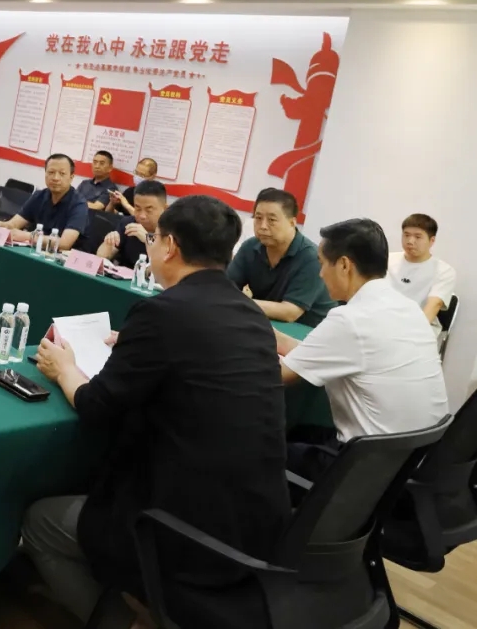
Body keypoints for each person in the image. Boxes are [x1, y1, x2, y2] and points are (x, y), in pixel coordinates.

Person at [25, 195, 290, 628]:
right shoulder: (253, 316)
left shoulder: (163, 312)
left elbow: (96, 406)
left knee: (41, 522)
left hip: (181, 529)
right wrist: (135, 342)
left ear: (170, 246)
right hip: (259, 526)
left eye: (154, 239)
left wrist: (64, 368)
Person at [277, 219, 449, 480]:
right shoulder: (408, 308)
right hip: (412, 460)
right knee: (303, 431)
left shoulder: (350, 319)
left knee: (263, 450)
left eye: (322, 263)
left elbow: (281, 375)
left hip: (362, 468)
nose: (320, 274)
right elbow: (312, 354)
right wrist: (267, 332)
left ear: (344, 265)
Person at [227, 188, 335, 326]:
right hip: (265, 323)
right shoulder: (250, 247)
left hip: (307, 330)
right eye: (258, 218)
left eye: (271, 220)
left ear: (292, 223)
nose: (263, 226)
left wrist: (237, 302)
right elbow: (226, 287)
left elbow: (289, 312)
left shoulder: (312, 257)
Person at [0, 154, 88, 251]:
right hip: (36, 250)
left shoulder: (79, 204)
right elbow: (14, 224)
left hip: (62, 257)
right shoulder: (39, 196)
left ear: (71, 177)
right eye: (51, 172)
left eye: (62, 173)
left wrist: (28, 236)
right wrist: (3, 226)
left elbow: (64, 244)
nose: (55, 178)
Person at [387, 214, 457, 335]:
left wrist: (406, 334)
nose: (410, 241)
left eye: (418, 237)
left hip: (419, 330)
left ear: (432, 241)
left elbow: (433, 306)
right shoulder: (386, 260)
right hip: (384, 324)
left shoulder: (444, 271)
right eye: (406, 235)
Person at [96, 180, 167, 268]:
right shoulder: (128, 224)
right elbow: (100, 257)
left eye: (149, 210)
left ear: (164, 209)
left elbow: (167, 265)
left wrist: (148, 239)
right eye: (137, 208)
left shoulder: (174, 231)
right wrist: (107, 245)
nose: (142, 216)